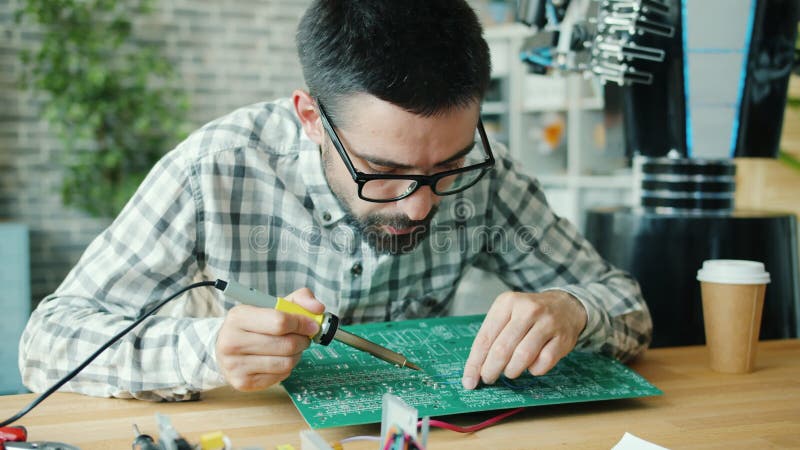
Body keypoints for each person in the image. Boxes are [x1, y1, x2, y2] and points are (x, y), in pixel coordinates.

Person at [19, 0, 652, 401]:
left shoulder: (487, 170)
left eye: (447, 167)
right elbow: (46, 344)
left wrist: (570, 309)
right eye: (383, 170)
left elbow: (627, 307)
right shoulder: (215, 169)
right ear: (311, 118)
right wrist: (204, 350)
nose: (418, 207)